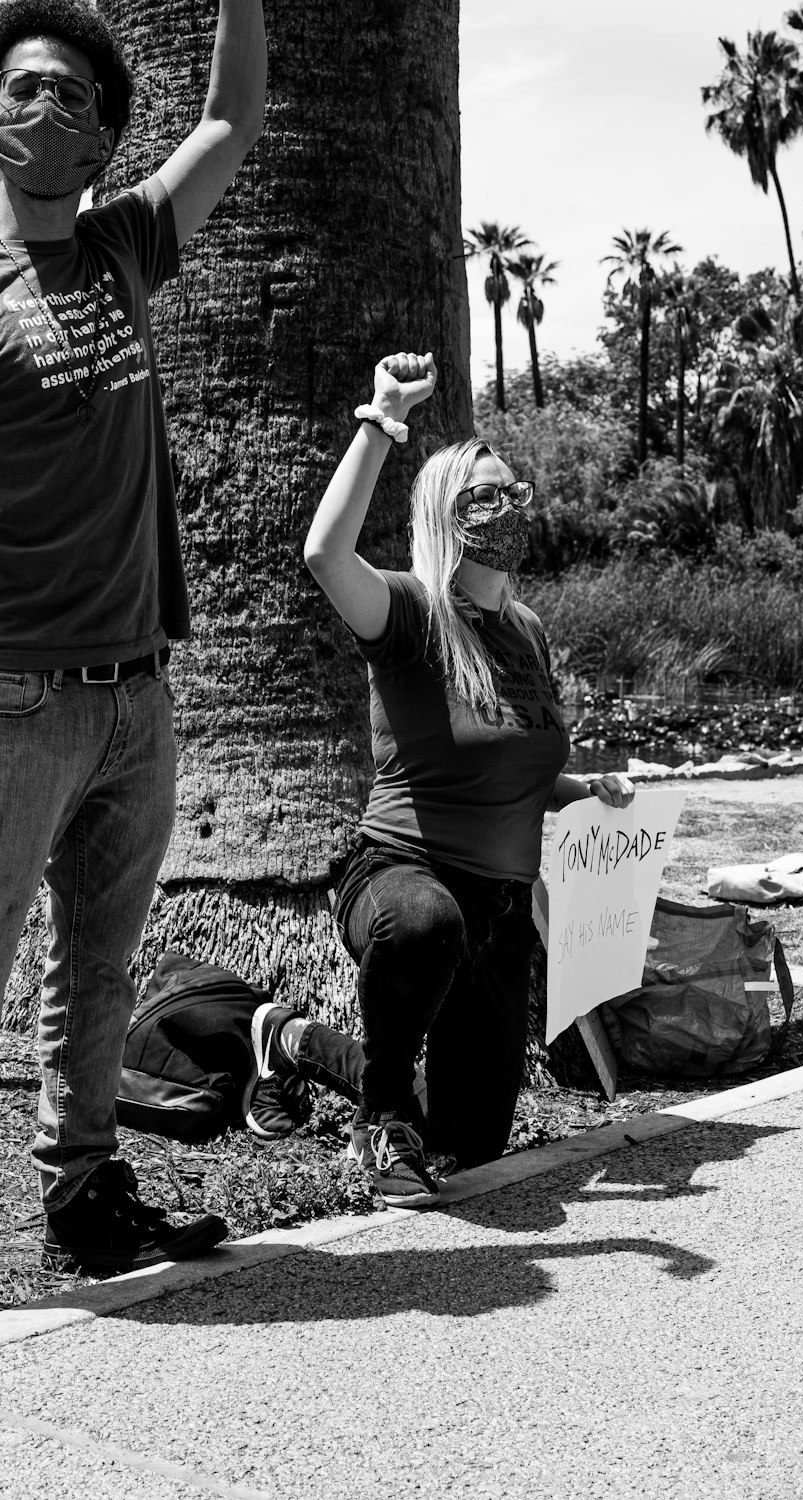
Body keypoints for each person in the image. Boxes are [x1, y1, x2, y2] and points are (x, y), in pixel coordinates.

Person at [0, 0, 267, 1273]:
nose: (41, 109)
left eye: (67, 94)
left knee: (97, 971)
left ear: (105, 131)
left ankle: (83, 1195)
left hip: (137, 696)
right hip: (17, 697)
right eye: (19, 89)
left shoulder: (119, 245)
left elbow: (230, 118)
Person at [303, 352, 635, 1208]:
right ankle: (381, 1117)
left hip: (498, 910)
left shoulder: (526, 628)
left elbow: (515, 768)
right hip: (400, 877)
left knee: (471, 1147)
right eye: (479, 496)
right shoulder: (408, 609)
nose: (503, 508)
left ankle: (298, 1044)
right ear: (445, 516)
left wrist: (582, 791)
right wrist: (380, 420)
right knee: (424, 923)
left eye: (511, 492)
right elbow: (323, 551)